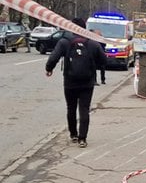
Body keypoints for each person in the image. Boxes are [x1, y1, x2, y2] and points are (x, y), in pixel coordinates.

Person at [45, 17, 107, 148]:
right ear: (84, 28)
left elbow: (53, 57)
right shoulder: (93, 43)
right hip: (87, 81)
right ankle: (82, 139)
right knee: (84, 109)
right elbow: (103, 60)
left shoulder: (65, 42)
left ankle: (73, 134)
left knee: (71, 108)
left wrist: (49, 69)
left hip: (70, 81)